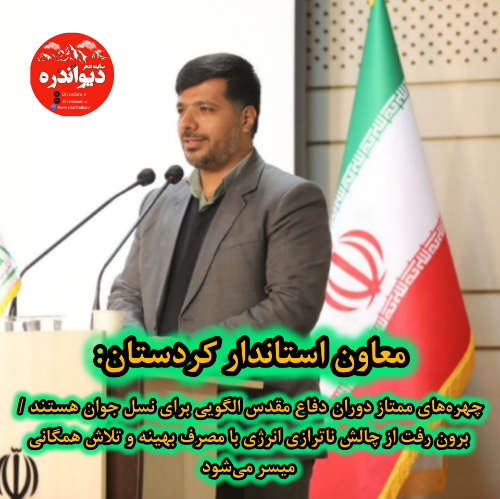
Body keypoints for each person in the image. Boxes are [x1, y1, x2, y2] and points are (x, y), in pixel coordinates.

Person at [108, 53, 331, 499]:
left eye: (205, 109)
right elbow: (126, 292)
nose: (187, 124)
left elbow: (291, 309)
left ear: (246, 118)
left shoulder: (290, 199)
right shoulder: (159, 200)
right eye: (181, 109)